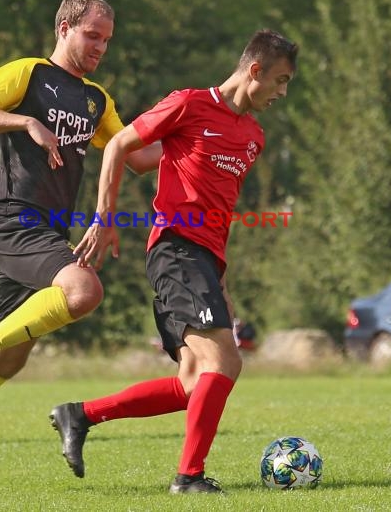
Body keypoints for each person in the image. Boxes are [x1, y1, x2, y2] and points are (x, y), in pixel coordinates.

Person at [0, 0, 161, 493]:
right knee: (83, 292)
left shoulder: (96, 100)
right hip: (15, 222)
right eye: (92, 35)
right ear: (64, 28)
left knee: (12, 358)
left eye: (106, 40)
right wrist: (25, 121)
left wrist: (193, 133)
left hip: (49, 231)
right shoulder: (29, 73)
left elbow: (136, 154)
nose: (100, 47)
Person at [49, 29, 298, 494]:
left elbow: (154, 163)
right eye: (280, 81)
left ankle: (80, 415)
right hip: (176, 250)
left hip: (204, 260)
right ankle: (189, 478)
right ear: (255, 70)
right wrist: (105, 219)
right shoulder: (189, 103)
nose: (282, 93)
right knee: (225, 363)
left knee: (192, 382)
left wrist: (221, 279)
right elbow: (123, 146)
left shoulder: (253, 136)